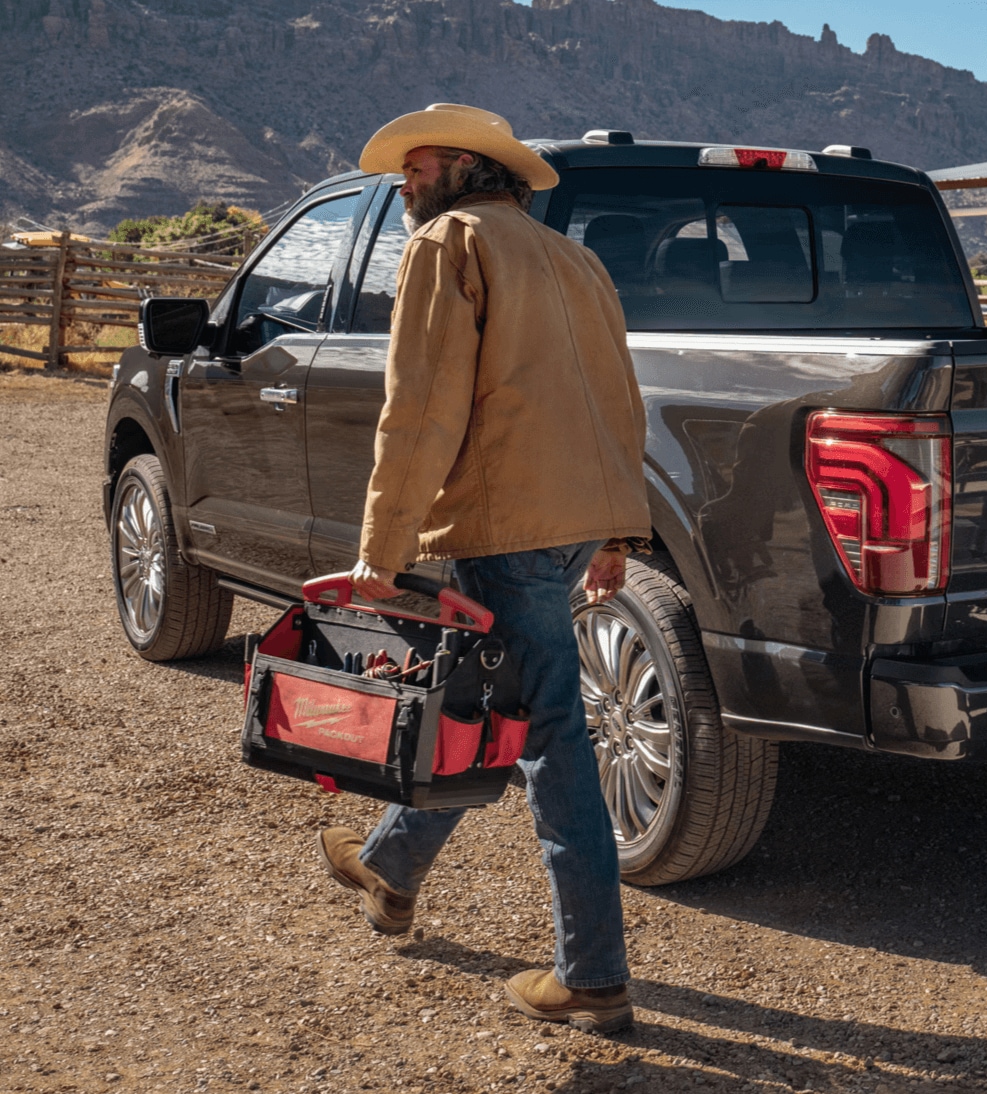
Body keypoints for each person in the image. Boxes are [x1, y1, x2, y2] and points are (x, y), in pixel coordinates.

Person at [313, 103, 654, 1034]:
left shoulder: (449, 242)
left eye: (416, 167)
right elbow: (621, 400)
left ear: (465, 166)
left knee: (547, 738)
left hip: (504, 523)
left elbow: (419, 411)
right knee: (489, 710)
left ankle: (592, 978)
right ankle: (391, 865)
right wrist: (618, 530)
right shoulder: (574, 259)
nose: (403, 185)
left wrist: (380, 552)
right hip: (573, 520)